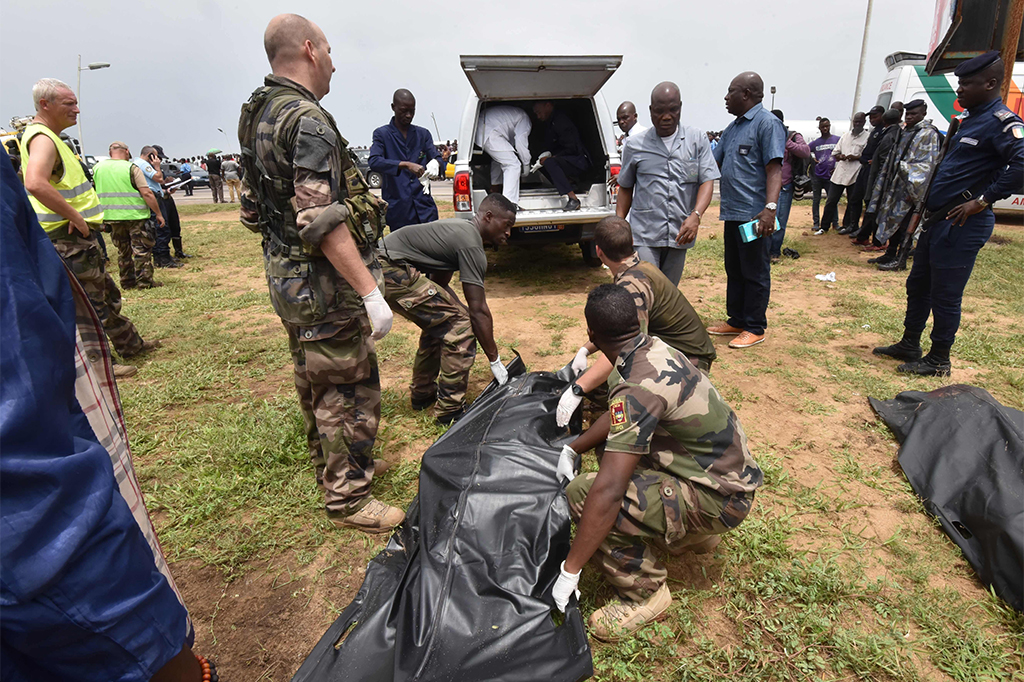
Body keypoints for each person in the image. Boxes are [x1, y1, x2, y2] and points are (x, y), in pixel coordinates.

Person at [1, 145, 207, 682]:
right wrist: (160, 651)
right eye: (68, 99)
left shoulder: (42, 147)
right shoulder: (45, 145)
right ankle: (132, 346)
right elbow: (29, 470)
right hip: (61, 591)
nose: (76, 103)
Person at [238, 13, 404, 532]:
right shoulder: (307, 121)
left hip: (286, 279)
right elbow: (319, 220)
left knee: (314, 381)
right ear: (309, 50)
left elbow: (250, 209)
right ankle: (349, 498)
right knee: (346, 388)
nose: (334, 62)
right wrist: (370, 292)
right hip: (322, 285)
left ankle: (335, 470)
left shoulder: (258, 112)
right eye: (329, 50)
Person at [550, 284, 762, 642]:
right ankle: (693, 535)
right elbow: (623, 415)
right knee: (610, 453)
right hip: (723, 479)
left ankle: (645, 592)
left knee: (586, 494)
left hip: (722, 499)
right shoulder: (649, 350)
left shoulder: (636, 382)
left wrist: (571, 570)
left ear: (592, 334)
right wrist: (574, 447)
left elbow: (609, 492)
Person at [874, 52, 1022, 377]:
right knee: (919, 284)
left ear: (991, 83)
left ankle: (939, 358)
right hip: (937, 220)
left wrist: (983, 200)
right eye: (959, 83)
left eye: (966, 84)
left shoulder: (1001, 122)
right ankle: (910, 342)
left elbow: (1022, 163)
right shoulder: (969, 120)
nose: (959, 90)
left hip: (963, 223)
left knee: (945, 294)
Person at [20, 78, 156, 377]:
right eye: (69, 103)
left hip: (80, 239)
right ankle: (99, 363)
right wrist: (74, 215)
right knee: (88, 304)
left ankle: (130, 344)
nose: (77, 109)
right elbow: (34, 182)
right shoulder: (43, 138)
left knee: (105, 293)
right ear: (45, 105)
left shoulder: (49, 137)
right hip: (68, 240)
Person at [554, 216, 717, 426]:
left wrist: (579, 387)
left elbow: (628, 347)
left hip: (690, 362)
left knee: (606, 387)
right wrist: (585, 350)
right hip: (680, 352)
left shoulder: (632, 285)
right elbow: (617, 332)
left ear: (598, 251)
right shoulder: (638, 268)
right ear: (631, 244)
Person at [379, 193, 516, 424]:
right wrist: (495, 361)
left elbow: (439, 283)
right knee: (461, 327)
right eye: (506, 226)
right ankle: (450, 411)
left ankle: (423, 394)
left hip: (385, 266)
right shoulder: (471, 242)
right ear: (489, 217)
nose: (508, 233)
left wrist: (458, 310)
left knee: (444, 323)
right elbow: (479, 309)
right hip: (390, 269)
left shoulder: (462, 232)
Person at [708, 71, 785, 349]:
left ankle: (755, 326)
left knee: (755, 271)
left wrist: (770, 209)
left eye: (731, 92)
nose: (726, 98)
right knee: (735, 268)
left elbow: (774, 169)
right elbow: (711, 164)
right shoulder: (732, 128)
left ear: (747, 95)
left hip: (755, 216)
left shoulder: (768, 124)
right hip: (732, 213)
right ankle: (738, 319)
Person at [615, 82, 719, 285]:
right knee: (650, 287)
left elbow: (706, 180)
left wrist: (696, 216)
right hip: (645, 233)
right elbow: (626, 187)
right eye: (660, 111)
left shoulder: (696, 140)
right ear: (650, 111)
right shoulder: (636, 145)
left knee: (669, 292)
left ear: (680, 107)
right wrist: (619, 224)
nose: (666, 116)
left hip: (680, 233)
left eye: (673, 110)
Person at [867, 100, 942, 271]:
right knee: (891, 219)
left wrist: (915, 190)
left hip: (911, 188)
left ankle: (901, 259)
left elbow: (927, 165)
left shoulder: (927, 134)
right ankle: (890, 253)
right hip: (895, 185)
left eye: (913, 113)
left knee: (906, 224)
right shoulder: (905, 130)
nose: (909, 116)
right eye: (907, 113)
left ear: (923, 113)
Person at [369, 89, 446, 229]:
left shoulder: (423, 134)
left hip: (425, 210)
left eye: (412, 111)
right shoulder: (382, 134)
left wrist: (437, 162)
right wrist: (405, 165)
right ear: (393, 107)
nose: (409, 115)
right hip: (399, 211)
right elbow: (374, 161)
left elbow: (438, 158)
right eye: (404, 110)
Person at [93, 141, 164, 289]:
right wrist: (158, 213)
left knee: (123, 251)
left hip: (112, 217)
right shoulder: (131, 167)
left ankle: (127, 281)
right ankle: (144, 282)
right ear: (127, 151)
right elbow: (146, 192)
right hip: (135, 216)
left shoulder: (98, 168)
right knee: (141, 251)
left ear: (110, 152)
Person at [853, 108, 903, 248]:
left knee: (877, 208)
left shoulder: (890, 135)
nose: (872, 119)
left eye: (875, 117)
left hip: (880, 179)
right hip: (875, 175)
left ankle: (878, 241)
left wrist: (879, 181)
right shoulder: (884, 133)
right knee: (870, 206)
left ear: (884, 119)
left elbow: (884, 161)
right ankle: (864, 236)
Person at [532, 100, 590, 211]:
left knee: (549, 162)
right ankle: (569, 184)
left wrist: (553, 157)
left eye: (539, 112)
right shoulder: (551, 122)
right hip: (568, 159)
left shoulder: (561, 121)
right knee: (541, 163)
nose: (538, 116)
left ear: (548, 105)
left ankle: (573, 199)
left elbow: (572, 148)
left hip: (579, 161)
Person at [817, 112, 868, 235]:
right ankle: (824, 226)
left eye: (860, 122)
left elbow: (866, 156)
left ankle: (849, 226)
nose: (857, 124)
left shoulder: (867, 137)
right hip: (841, 171)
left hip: (855, 172)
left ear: (864, 122)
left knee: (853, 201)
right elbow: (835, 153)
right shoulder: (845, 136)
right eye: (855, 122)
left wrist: (855, 157)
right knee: (831, 200)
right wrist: (841, 156)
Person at [839, 105, 886, 236]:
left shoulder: (884, 132)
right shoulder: (875, 131)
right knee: (855, 198)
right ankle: (853, 226)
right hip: (864, 168)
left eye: (875, 117)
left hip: (872, 169)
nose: (872, 119)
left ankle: (866, 231)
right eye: (870, 117)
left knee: (869, 201)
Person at [769, 109, 810, 260]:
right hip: (765, 186)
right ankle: (763, 250)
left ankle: (774, 252)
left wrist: (786, 143)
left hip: (784, 186)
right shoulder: (765, 135)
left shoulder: (793, 135)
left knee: (780, 219)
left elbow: (805, 151)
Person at [474, 105, 531, 207]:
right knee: (513, 165)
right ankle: (509, 204)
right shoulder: (524, 119)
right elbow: (520, 142)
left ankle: (495, 188)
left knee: (500, 160)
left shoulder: (515, 114)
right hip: (489, 131)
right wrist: (526, 163)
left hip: (483, 129)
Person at [133, 146, 181, 268]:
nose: (158, 160)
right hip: (153, 197)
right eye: (156, 157)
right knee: (161, 227)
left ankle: (162, 257)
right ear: (150, 155)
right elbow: (158, 178)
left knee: (157, 228)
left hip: (155, 195)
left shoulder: (136, 164)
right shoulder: (143, 164)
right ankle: (163, 259)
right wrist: (157, 167)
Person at [808, 118, 839, 230]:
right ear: (819, 128)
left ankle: (835, 223)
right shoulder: (816, 143)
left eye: (827, 126)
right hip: (817, 175)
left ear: (830, 126)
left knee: (832, 200)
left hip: (831, 176)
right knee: (816, 200)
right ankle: (816, 223)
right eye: (823, 127)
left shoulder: (837, 140)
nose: (825, 128)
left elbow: (842, 153)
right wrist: (812, 159)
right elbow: (805, 151)